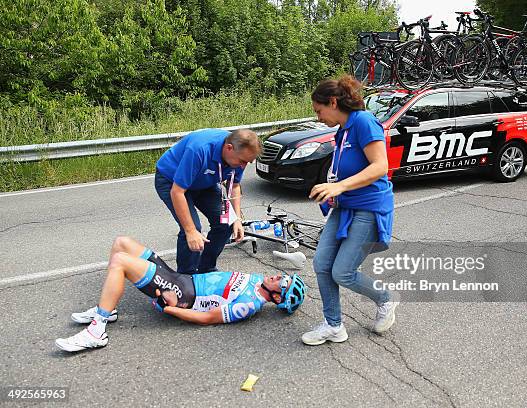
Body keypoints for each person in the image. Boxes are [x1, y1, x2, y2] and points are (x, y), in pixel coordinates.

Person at [55, 236, 306, 352]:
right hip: (180, 279)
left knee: (121, 261)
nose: (278, 277)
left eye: (282, 284)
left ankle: (97, 330)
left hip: (181, 294)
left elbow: (208, 318)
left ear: (276, 299)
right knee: (122, 242)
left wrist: (170, 309)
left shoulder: (249, 304)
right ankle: (107, 310)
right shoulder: (258, 281)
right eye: (284, 276)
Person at [301, 75, 397, 346]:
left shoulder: (364, 122)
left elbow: (380, 166)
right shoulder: (342, 130)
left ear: (333, 102)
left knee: (342, 272)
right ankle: (334, 326)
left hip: (368, 208)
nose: (318, 117)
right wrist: (329, 188)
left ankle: (385, 299)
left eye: (319, 111)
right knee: (322, 264)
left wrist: (339, 186)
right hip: (344, 206)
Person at [155, 128, 261, 275]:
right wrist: (190, 231)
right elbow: (177, 192)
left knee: (227, 223)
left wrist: (237, 219)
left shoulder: (239, 157)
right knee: (193, 229)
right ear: (229, 148)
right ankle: (186, 278)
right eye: (242, 161)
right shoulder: (199, 149)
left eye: (247, 163)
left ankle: (206, 269)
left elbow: (234, 186)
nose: (243, 166)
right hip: (172, 181)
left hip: (204, 182)